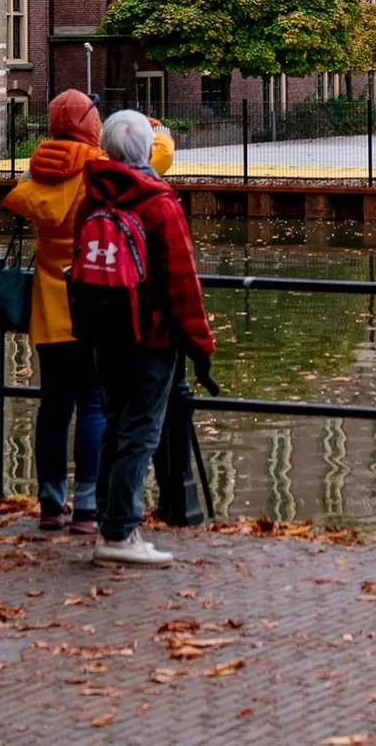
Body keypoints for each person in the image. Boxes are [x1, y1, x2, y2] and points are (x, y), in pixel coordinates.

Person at [78, 109, 215, 568]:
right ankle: (119, 533)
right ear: (148, 152)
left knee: (115, 425)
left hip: (103, 331)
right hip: (151, 337)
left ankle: (108, 523)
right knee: (141, 432)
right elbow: (182, 282)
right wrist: (201, 346)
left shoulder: (93, 196)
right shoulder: (159, 202)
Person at [2, 90, 108, 533]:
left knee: (53, 407)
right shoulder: (98, 167)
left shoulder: (38, 167)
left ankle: (49, 503)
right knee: (93, 405)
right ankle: (86, 506)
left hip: (48, 306)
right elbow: (156, 154)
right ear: (90, 124)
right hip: (89, 301)